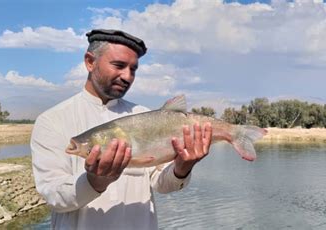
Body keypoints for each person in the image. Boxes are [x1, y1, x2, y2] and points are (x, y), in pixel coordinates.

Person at [30, 29, 212, 229]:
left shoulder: (144, 115)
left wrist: (182, 169)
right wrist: (94, 181)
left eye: (133, 69)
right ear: (90, 62)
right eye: (119, 65)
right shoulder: (52, 120)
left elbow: (160, 183)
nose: (127, 76)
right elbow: (53, 196)